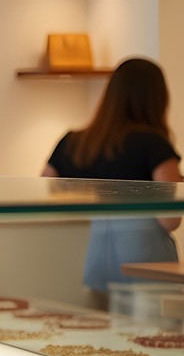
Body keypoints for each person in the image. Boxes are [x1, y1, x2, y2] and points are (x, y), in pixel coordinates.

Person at [42, 57, 182, 310]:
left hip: (95, 258)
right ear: (156, 98)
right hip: (146, 263)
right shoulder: (154, 145)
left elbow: (42, 191)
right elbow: (170, 219)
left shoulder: (74, 142)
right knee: (155, 343)